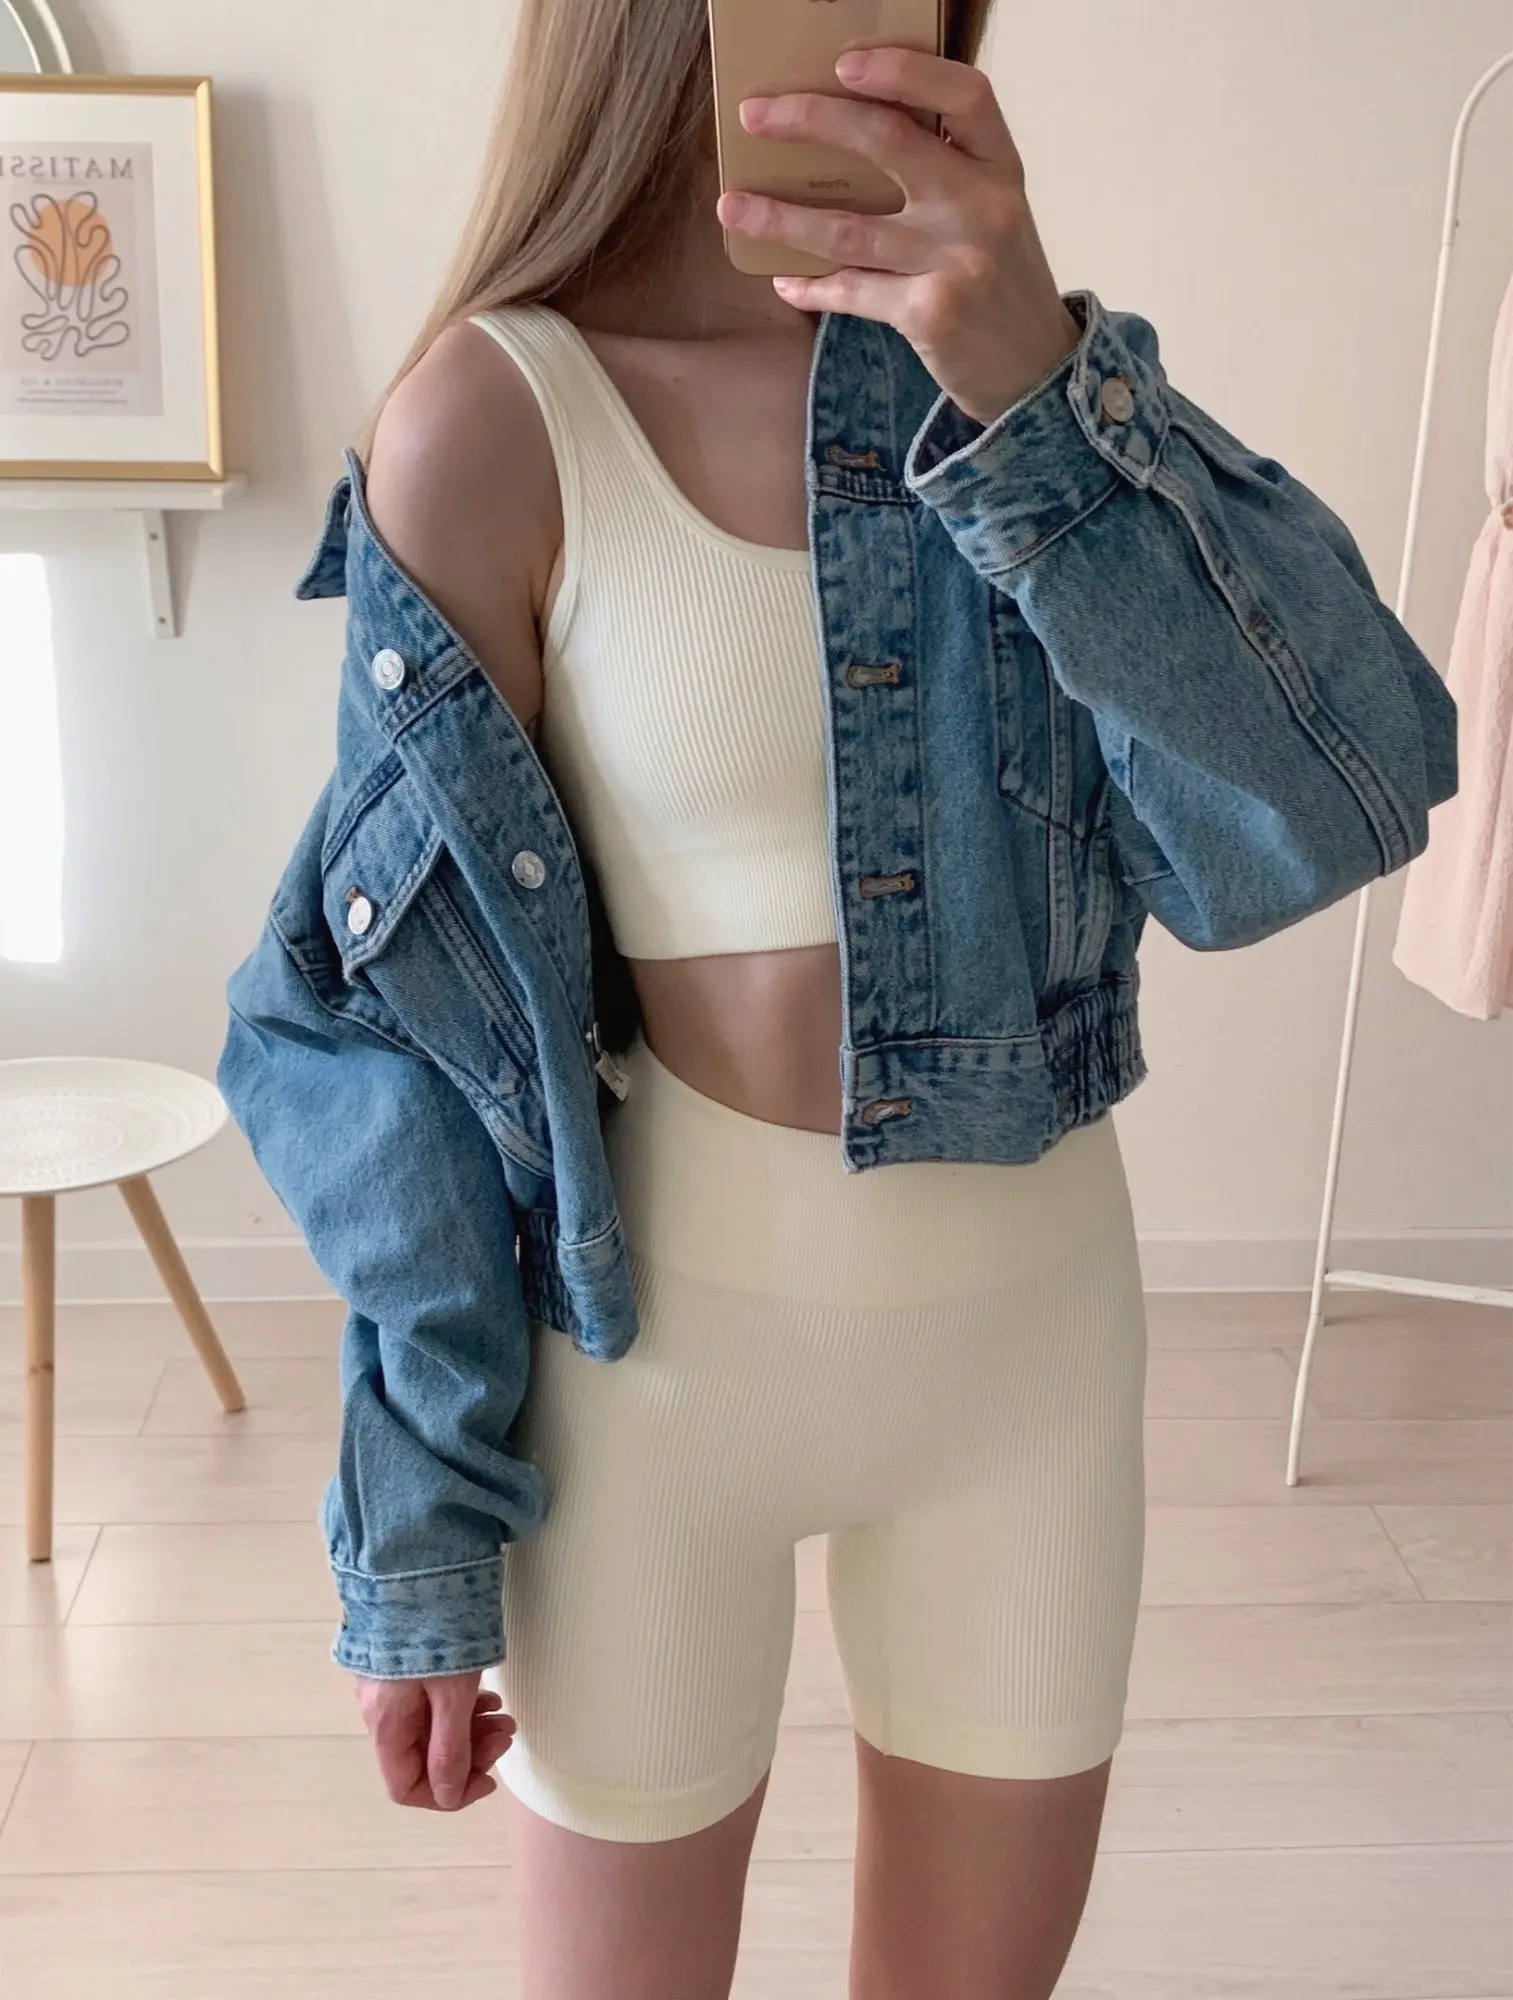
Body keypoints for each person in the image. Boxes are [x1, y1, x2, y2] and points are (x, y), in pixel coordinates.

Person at [217, 3, 1458, 1995]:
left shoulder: (1032, 400)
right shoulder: (495, 414)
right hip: (653, 1393)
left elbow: (1331, 804)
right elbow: (403, 1043)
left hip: (1027, 1368)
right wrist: (417, 1526)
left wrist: (1041, 394)